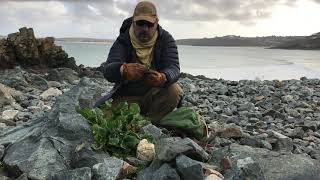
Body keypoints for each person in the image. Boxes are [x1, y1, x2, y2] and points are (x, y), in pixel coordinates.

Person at [95, 1, 183, 124]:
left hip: (155, 95)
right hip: (127, 97)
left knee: (174, 91)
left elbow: (174, 68)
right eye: (140, 23)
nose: (144, 29)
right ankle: (145, 122)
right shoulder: (123, 40)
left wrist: (163, 77)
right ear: (133, 22)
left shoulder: (166, 39)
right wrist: (122, 70)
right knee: (103, 117)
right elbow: (108, 70)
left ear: (156, 23)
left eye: (149, 24)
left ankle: (150, 123)